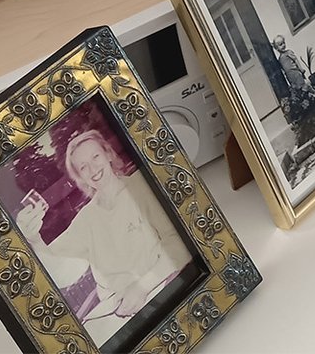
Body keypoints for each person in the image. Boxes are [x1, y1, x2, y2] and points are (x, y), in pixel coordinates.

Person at [16, 131, 189, 330]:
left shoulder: (141, 184)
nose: (92, 169)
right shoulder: (85, 220)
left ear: (108, 154)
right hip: (115, 313)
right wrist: (33, 238)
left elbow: (178, 241)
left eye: (95, 157)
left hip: (163, 286)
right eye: (83, 167)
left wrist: (143, 287)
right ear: (79, 176)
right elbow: (60, 274)